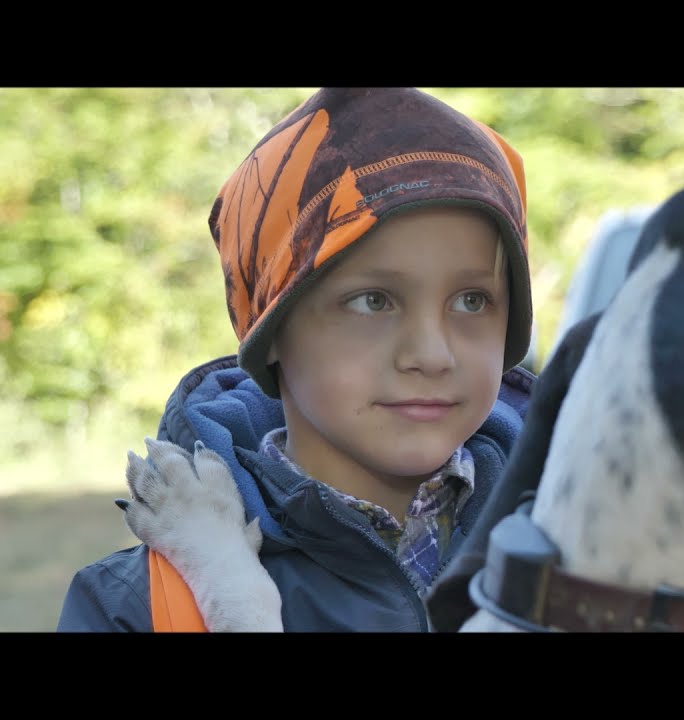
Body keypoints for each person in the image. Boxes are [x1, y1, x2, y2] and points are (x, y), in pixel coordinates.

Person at [56, 87, 537, 631]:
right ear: (273, 329)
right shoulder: (136, 607)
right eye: (372, 301)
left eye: (472, 301)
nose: (432, 353)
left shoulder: (595, 555)